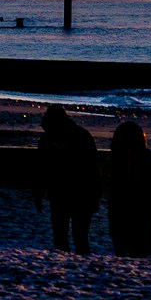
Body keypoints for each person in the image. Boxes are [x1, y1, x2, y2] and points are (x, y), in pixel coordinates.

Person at [35, 101, 100, 252]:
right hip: (71, 194)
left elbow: (41, 168)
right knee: (74, 237)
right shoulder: (81, 136)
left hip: (71, 194)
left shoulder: (49, 139)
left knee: (70, 237)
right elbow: (94, 169)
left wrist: (38, 193)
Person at [107, 117, 151, 257]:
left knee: (122, 249)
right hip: (143, 213)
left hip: (122, 212)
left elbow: (112, 187)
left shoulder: (116, 159)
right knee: (139, 251)